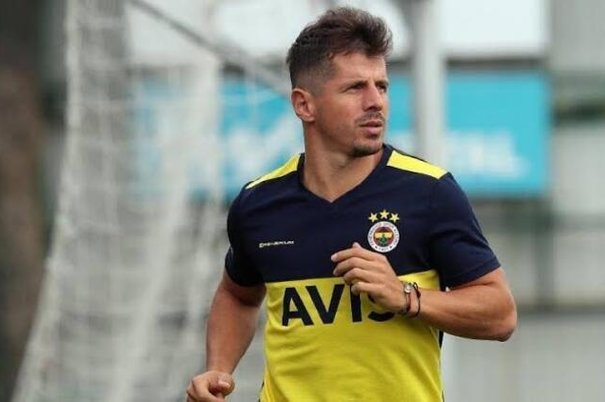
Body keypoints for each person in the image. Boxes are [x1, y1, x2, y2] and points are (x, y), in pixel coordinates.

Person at [186, 6, 516, 402]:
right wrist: (219, 367)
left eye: (382, 86)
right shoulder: (259, 204)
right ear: (304, 105)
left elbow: (500, 314)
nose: (375, 102)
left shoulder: (429, 192)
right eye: (355, 88)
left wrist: (405, 296)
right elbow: (238, 295)